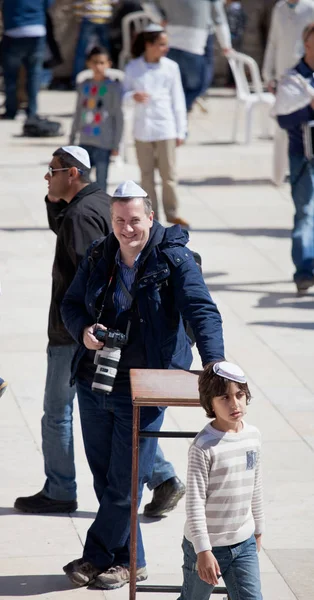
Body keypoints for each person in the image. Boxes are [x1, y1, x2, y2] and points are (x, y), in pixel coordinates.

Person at [61, 180, 225, 590]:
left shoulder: (175, 259)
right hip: (95, 378)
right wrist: (84, 332)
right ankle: (131, 562)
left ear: (151, 217)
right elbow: (71, 304)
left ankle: (96, 554)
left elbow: (202, 310)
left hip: (146, 384)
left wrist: (215, 362)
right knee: (106, 479)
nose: (127, 228)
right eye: (119, 220)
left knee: (127, 479)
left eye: (135, 220)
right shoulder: (101, 253)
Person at [14, 146, 112, 514]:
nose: (47, 176)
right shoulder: (96, 202)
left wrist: (82, 326)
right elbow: (67, 228)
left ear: (72, 173)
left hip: (72, 332)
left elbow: (90, 278)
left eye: (52, 170)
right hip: (83, 329)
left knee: (58, 412)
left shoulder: (81, 215)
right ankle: (163, 478)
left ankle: (59, 489)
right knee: (107, 410)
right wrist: (54, 200)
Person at [178, 360, 265, 600]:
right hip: (206, 546)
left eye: (239, 395)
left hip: (243, 542)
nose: (234, 403)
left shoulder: (253, 436)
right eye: (224, 398)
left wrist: (258, 527)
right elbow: (194, 504)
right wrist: (203, 550)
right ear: (210, 404)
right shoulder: (203, 447)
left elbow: (255, 485)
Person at [123, 25, 189, 227]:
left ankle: (172, 212)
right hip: (142, 129)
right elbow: (122, 96)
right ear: (149, 45)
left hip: (166, 127)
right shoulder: (133, 67)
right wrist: (133, 96)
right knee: (146, 176)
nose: (165, 48)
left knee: (169, 175)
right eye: (161, 44)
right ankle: (152, 215)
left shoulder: (171, 67)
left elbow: (178, 100)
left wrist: (181, 130)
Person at [274, 22, 314, 293]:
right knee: (306, 213)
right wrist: (308, 108)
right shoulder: (293, 78)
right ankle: (304, 271)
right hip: (304, 156)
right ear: (307, 44)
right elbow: (283, 117)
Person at [142, 0, 231, 112]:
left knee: (176, 87)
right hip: (194, 41)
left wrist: (159, 19)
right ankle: (178, 116)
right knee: (198, 84)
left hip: (173, 40)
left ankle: (176, 116)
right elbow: (218, 17)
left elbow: (146, 3)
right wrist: (226, 45)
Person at [262, 0, 314, 186]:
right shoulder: (280, 8)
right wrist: (268, 73)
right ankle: (278, 176)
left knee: (305, 128)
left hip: (306, 74)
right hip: (284, 75)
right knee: (282, 124)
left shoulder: (310, 7)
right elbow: (274, 40)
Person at [69, 46, 123, 192]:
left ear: (109, 64)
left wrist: (116, 144)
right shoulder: (84, 85)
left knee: (101, 182)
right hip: (85, 141)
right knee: (80, 181)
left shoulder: (113, 88)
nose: (98, 66)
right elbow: (78, 112)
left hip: (104, 143)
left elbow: (117, 116)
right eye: (95, 62)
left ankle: (101, 212)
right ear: (89, 64)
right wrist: (72, 137)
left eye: (102, 62)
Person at [0, 0, 54, 120]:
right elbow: (48, 5)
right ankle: (32, 112)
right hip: (36, 31)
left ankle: (11, 111)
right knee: (34, 75)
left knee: (11, 76)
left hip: (13, 30)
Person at [72, 0, 113, 85]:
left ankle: (109, 79)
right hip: (89, 18)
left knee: (105, 54)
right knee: (81, 51)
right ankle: (77, 81)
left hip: (104, 19)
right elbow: (77, 4)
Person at [225, 0, 247, 86]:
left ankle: (233, 81)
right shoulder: (239, 8)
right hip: (237, 37)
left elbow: (232, 23)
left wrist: (232, 34)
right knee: (235, 59)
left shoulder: (233, 9)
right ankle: (234, 81)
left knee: (233, 59)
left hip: (233, 37)